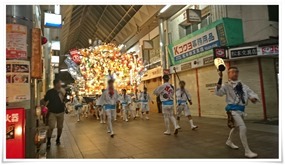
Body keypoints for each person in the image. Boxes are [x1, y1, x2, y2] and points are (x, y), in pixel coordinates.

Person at [215, 66, 260, 158]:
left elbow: (250, 93)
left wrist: (253, 98)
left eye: (236, 72)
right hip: (232, 109)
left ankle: (229, 141)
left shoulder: (243, 85)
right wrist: (220, 77)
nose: (235, 73)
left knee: (235, 127)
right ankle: (247, 151)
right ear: (229, 74)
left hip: (241, 110)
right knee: (243, 127)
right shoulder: (226, 85)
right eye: (232, 72)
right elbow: (218, 92)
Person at [44, 79, 66, 148]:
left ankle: (58, 139)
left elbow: (65, 100)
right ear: (56, 84)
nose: (60, 85)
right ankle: (49, 141)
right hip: (52, 112)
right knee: (51, 127)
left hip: (61, 112)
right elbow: (45, 100)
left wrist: (62, 94)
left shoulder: (62, 91)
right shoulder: (50, 92)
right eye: (60, 83)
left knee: (60, 127)